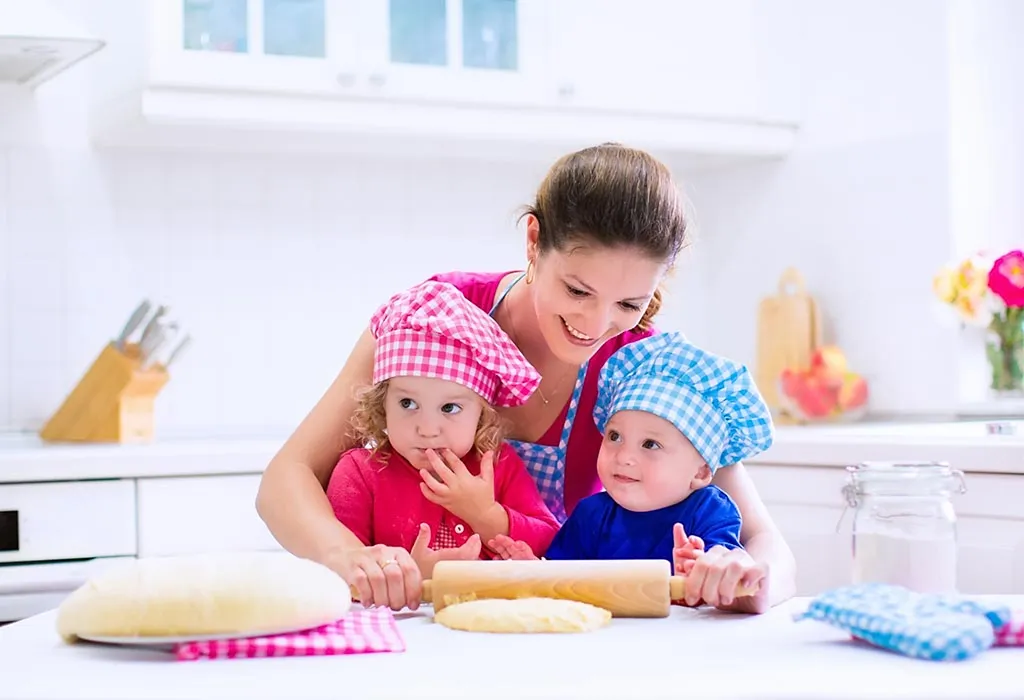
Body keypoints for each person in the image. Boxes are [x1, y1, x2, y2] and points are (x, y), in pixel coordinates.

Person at [256, 142, 797, 614]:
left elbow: (766, 544)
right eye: (578, 291)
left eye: (629, 303)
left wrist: (747, 577)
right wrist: (351, 557)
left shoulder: (643, 368)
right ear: (534, 241)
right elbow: (285, 479)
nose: (596, 326)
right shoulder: (434, 317)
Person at [488, 331, 775, 606]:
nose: (624, 456)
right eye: (614, 436)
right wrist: (535, 570)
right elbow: (563, 583)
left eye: (650, 444)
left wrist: (700, 571)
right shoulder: (591, 515)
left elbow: (726, 577)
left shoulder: (711, 512)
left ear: (700, 473)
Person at [325, 280, 561, 579]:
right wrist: (412, 573)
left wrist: (486, 515)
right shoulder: (360, 473)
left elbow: (552, 542)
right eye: (408, 403)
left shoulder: (498, 466)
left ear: (482, 414)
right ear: (381, 405)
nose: (427, 429)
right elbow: (342, 572)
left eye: (449, 408)